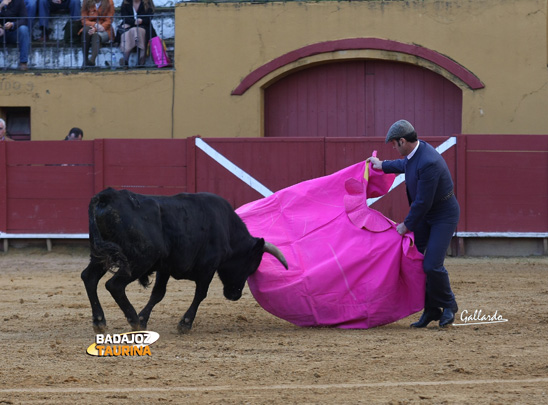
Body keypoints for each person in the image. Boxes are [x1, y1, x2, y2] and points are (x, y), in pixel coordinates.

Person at [367, 119, 460, 328]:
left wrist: (406, 225)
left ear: (402, 140)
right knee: (415, 261)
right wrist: (382, 165)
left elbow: (422, 202)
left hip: (443, 216)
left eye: (393, 144)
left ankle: (449, 305)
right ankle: (431, 309)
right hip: (427, 215)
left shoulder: (429, 162)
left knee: (432, 265)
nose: (392, 147)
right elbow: (405, 165)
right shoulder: (416, 152)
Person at [118, 0, 154, 68]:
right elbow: (124, 16)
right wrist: (134, 22)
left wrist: (141, 21)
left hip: (144, 26)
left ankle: (141, 60)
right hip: (129, 26)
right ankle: (125, 61)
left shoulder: (147, 2)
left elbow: (149, 18)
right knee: (129, 32)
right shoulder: (126, 2)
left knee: (137, 30)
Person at [80, 0, 114, 67]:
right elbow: (84, 19)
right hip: (90, 26)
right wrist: (95, 25)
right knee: (86, 30)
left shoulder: (109, 2)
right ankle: (85, 60)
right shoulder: (86, 1)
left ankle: (92, 60)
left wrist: (96, 29)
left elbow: (109, 20)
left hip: (105, 29)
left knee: (96, 35)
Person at [0, 0, 30, 70]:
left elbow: (24, 19)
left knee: (24, 29)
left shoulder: (19, 1)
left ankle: (23, 62)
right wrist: (0, 6)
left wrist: (13, 24)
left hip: (13, 32)